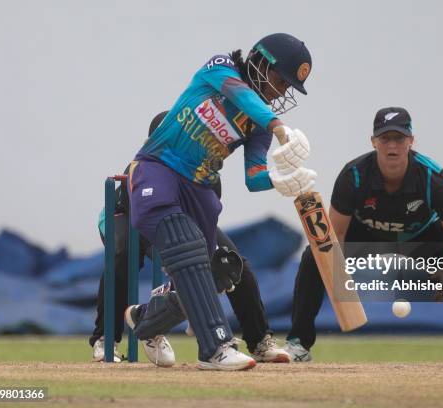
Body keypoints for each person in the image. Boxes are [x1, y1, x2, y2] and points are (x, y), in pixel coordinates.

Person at [124, 33, 316, 371]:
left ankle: (145, 320)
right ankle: (215, 348)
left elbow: (253, 176)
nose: (280, 92)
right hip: (159, 168)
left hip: (199, 190)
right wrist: (279, 125)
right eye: (279, 80)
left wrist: (280, 181)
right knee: (188, 247)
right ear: (260, 62)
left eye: (287, 88)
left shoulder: (259, 125)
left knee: (220, 269)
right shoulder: (220, 68)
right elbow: (239, 94)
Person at [284, 107, 443, 362]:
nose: (392, 146)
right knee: (314, 254)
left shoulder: (432, 177)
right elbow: (335, 237)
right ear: (373, 141)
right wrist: (341, 280)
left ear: (411, 141)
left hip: (421, 235)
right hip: (367, 233)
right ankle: (298, 345)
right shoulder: (354, 176)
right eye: (385, 139)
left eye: (399, 139)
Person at [91, 112, 290, 366]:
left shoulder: (204, 171)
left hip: (178, 221)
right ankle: (104, 338)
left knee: (231, 263)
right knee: (123, 254)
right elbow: (150, 220)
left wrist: (208, 282)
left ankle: (259, 340)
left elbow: (204, 227)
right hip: (128, 216)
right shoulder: (145, 167)